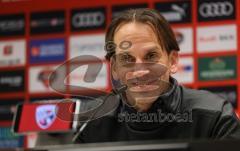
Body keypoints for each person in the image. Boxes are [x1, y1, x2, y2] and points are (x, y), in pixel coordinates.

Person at [74, 8, 240, 143]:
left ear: (172, 61)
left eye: (151, 56)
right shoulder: (90, 123)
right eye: (127, 58)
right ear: (115, 68)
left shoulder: (215, 116)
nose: (140, 71)